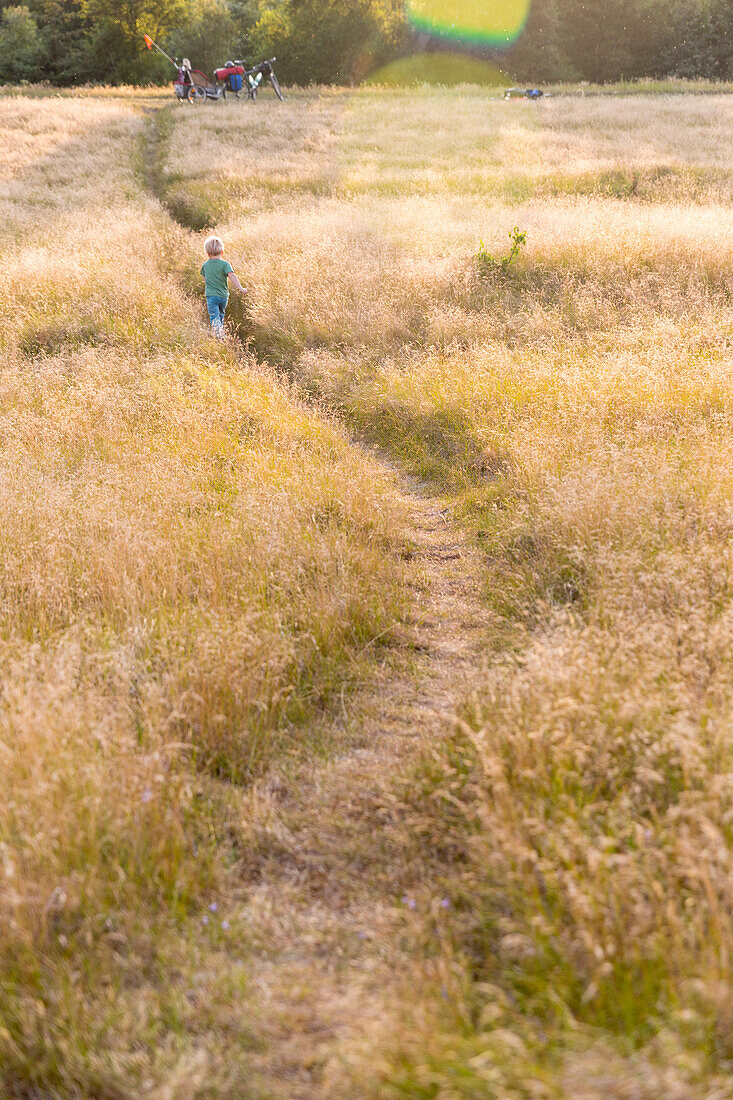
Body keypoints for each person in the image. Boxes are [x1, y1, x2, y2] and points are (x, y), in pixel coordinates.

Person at [200, 236, 245, 338]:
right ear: (222, 252)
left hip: (211, 296)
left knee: (214, 317)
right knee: (220, 315)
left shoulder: (205, 265)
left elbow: (205, 280)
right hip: (224, 296)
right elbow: (232, 276)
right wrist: (241, 288)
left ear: (207, 253)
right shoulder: (225, 264)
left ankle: (220, 334)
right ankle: (220, 335)